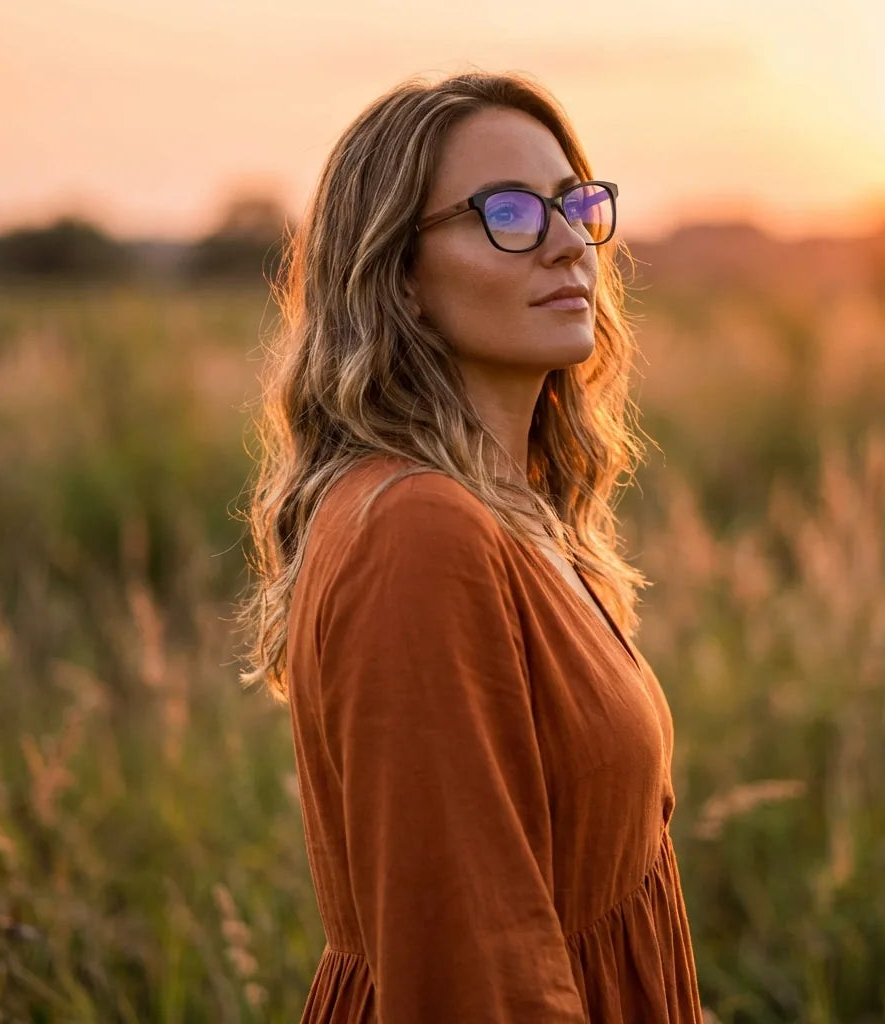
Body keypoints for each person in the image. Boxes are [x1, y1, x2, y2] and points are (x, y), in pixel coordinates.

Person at [238, 70, 703, 1023]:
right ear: (397, 276)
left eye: (576, 203)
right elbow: (470, 962)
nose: (571, 241)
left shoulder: (512, 511)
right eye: (508, 212)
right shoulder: (416, 532)